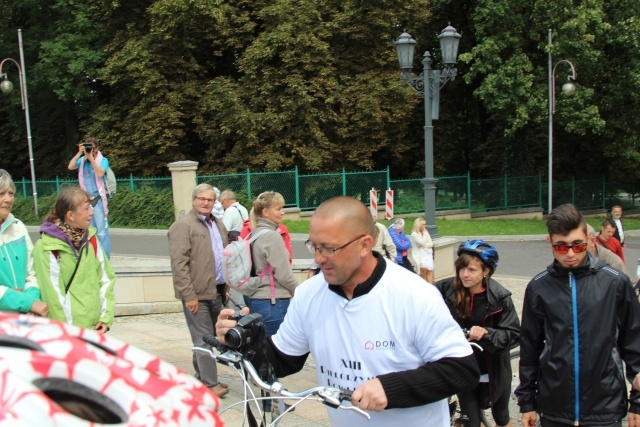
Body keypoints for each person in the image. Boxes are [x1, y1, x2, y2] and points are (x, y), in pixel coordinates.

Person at [216, 196, 479, 426]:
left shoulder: (414, 294)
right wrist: (243, 341)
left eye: (329, 248)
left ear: (365, 245)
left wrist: (390, 388)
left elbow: (462, 370)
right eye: (314, 246)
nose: (318, 258)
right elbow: (283, 360)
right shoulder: (310, 294)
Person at [515, 203, 640, 427]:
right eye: (561, 247)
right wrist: (527, 402)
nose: (570, 254)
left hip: (604, 408)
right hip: (554, 407)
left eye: (578, 246)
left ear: (589, 240)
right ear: (550, 242)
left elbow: (633, 342)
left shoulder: (615, 283)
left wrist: (638, 402)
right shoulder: (538, 287)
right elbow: (530, 347)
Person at [434, 240, 520, 427]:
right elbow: (421, 298)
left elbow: (513, 334)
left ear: (486, 271)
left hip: (494, 367)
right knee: (470, 422)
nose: (464, 275)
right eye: (462, 269)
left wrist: (487, 334)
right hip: (464, 367)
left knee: (502, 417)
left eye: (472, 270)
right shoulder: (446, 289)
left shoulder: (500, 296)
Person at [167, 183, 230, 397]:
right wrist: (188, 295)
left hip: (217, 291)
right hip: (197, 294)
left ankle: (199, 375)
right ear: (193, 200)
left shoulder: (218, 224)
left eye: (210, 199)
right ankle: (210, 384)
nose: (205, 202)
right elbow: (179, 264)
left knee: (208, 335)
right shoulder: (183, 226)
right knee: (203, 339)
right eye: (201, 198)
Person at [32, 188, 115, 332]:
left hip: (94, 330)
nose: (92, 212)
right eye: (86, 208)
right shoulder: (48, 247)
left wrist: (105, 318)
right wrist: (70, 334)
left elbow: (106, 279)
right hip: (67, 334)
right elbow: (54, 297)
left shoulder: (91, 239)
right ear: (70, 215)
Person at [242, 191, 297, 336]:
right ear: (266, 212)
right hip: (273, 302)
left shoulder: (253, 234)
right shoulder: (271, 236)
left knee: (261, 348)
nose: (283, 213)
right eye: (278, 209)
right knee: (273, 351)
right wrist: (299, 291)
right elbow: (284, 274)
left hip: (255, 299)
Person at [0, 169, 48, 316]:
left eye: (11, 193)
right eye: (1, 194)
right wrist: (28, 303)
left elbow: (30, 273)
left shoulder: (18, 227)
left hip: (22, 319)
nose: (7, 199)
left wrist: (33, 300)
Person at [67, 137, 111, 258]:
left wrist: (91, 159)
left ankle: (105, 258)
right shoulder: (82, 161)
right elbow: (70, 166)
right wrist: (80, 152)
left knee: (102, 231)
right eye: (87, 147)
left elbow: (101, 173)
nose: (89, 150)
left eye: (91, 148)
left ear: (97, 148)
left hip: (98, 200)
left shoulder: (103, 160)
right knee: (89, 230)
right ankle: (93, 255)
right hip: (85, 201)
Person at [408, 217, 434, 282]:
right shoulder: (414, 234)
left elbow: (431, 243)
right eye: (422, 225)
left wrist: (423, 245)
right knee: (423, 269)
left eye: (424, 224)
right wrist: (425, 235)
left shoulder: (425, 232)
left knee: (429, 270)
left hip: (427, 253)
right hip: (420, 254)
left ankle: (430, 287)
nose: (424, 226)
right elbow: (422, 242)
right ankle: (421, 283)